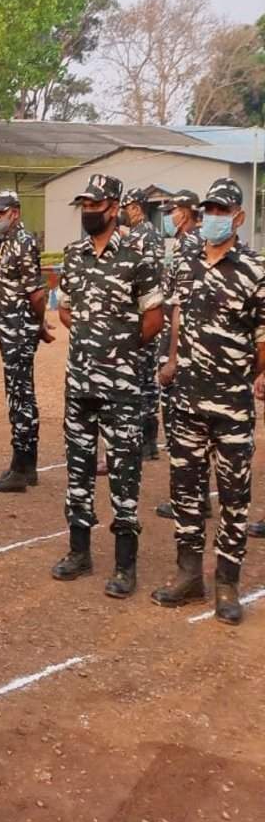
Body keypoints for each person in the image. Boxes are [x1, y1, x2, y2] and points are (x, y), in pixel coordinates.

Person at [152, 179, 265, 625]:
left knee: (234, 494)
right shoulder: (185, 263)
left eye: (221, 210)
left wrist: (253, 374)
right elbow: (177, 316)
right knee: (186, 491)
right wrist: (173, 360)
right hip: (187, 400)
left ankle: (226, 583)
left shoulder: (255, 270)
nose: (213, 216)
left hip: (232, 405)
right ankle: (188, 574)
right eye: (208, 209)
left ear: (237, 217)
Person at [52, 174, 163, 600]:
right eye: (83, 204)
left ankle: (124, 564)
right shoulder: (75, 255)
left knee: (124, 473)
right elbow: (65, 310)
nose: (87, 211)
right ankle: (79, 551)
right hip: (79, 383)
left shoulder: (138, 256)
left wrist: (117, 350)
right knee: (78, 470)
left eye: (94, 204)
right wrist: (90, 339)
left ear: (113, 208)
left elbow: (153, 321)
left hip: (121, 388)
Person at [0, 190, 53, 493]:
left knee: (21, 398)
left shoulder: (23, 243)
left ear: (15, 212)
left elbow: (36, 293)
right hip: (11, 330)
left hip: (19, 331)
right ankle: (24, 465)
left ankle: (22, 468)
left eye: (2, 213)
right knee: (19, 396)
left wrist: (38, 325)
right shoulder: (10, 242)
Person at [154, 190, 208, 520]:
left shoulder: (188, 245)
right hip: (194, 347)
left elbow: (179, 307)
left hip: (182, 347)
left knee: (180, 425)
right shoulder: (193, 242)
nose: (169, 215)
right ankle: (197, 497)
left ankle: (190, 500)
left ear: (185, 213)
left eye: (173, 210)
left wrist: (172, 358)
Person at [120, 187, 165, 460]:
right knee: (148, 380)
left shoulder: (138, 235)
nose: (125, 214)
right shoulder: (156, 234)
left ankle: (139, 440)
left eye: (127, 209)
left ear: (136, 208)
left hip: (138, 314)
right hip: (152, 310)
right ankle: (150, 442)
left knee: (136, 380)